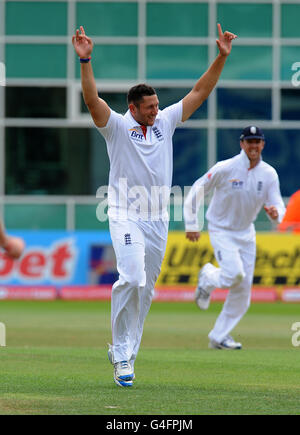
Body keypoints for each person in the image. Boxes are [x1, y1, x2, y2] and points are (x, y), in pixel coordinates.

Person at [72, 24, 237, 387]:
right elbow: (91, 101)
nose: (156, 111)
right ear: (132, 107)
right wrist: (85, 59)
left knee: (146, 290)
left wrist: (221, 57)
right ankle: (118, 351)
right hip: (124, 213)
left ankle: (129, 355)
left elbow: (200, 91)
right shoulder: (115, 126)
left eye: (157, 106)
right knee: (131, 277)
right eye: (149, 107)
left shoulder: (164, 121)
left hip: (157, 218)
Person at [184, 126, 286, 350]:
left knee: (243, 291)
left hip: (246, 233)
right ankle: (209, 275)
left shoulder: (269, 174)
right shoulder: (226, 168)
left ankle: (218, 337)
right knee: (234, 274)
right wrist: (192, 223)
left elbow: (278, 203)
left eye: (257, 142)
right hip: (221, 229)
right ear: (242, 144)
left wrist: (277, 214)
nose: (253, 146)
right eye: (249, 141)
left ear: (263, 144)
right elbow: (198, 188)